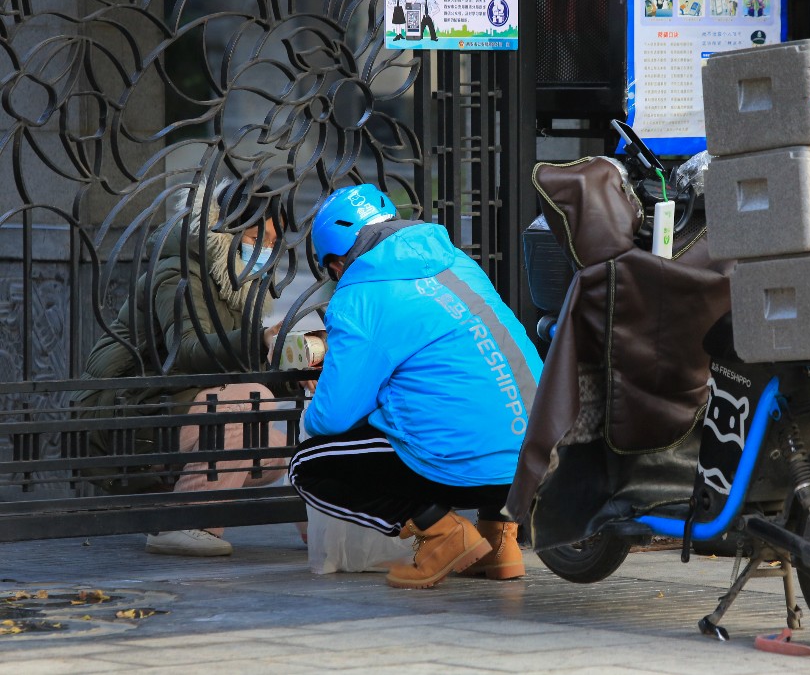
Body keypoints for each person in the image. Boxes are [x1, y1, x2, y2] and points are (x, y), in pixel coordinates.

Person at [288, 184, 542, 589]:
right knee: (484, 408)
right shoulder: (458, 263)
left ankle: (442, 535)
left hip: (466, 463)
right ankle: (499, 544)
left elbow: (332, 419)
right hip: (537, 455)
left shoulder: (359, 294)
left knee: (309, 465)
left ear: (337, 263)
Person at [72, 179, 291, 557]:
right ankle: (182, 522)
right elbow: (189, 351)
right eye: (259, 237)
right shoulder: (180, 272)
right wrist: (258, 339)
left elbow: (228, 365)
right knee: (250, 400)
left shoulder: (231, 282)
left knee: (283, 450)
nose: (266, 250)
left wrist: (294, 374)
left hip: (170, 405)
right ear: (229, 229)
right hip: (122, 410)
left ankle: (319, 529)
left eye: (274, 243)